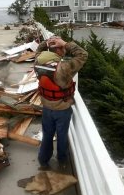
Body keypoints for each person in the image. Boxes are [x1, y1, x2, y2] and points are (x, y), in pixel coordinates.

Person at [34, 36, 88, 170]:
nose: (64, 50)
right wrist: (65, 43)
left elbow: (39, 50)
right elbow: (83, 54)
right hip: (62, 109)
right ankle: (62, 160)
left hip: (46, 108)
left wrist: (46, 43)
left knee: (47, 135)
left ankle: (43, 160)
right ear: (58, 50)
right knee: (62, 136)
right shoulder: (64, 67)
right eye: (62, 48)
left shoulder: (38, 61)